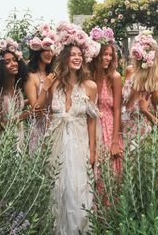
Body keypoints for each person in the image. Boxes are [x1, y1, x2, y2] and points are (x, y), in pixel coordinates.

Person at [45, 22, 100, 234]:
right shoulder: (56, 84)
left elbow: (92, 119)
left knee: (78, 189)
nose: (76, 58)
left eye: (79, 54)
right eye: (72, 54)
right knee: (59, 187)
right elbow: (45, 111)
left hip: (79, 143)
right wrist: (46, 89)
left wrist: (92, 150)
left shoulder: (90, 86)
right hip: (57, 143)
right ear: (65, 58)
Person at [122, 30, 158, 150]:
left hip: (139, 140)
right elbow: (124, 104)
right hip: (120, 131)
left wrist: (145, 111)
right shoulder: (129, 71)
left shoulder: (156, 89)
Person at [89, 26, 123, 176]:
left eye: (110, 55)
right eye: (104, 54)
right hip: (90, 128)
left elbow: (117, 109)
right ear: (96, 55)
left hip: (108, 130)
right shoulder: (88, 77)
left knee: (108, 175)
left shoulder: (114, 77)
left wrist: (115, 141)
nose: (108, 58)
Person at [23, 23, 56, 154]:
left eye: (51, 50)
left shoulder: (53, 74)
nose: (49, 53)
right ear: (37, 52)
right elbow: (35, 110)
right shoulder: (31, 77)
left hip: (55, 125)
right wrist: (45, 88)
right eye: (45, 50)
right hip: (39, 128)